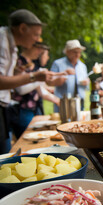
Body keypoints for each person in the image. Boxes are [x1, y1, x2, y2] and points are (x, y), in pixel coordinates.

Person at [0, 9, 66, 154]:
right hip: (16, 109)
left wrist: (17, 72)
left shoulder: (11, 46)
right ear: (22, 28)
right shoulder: (2, 41)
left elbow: (9, 78)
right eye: (36, 34)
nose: (37, 40)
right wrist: (34, 77)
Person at [9, 40, 60, 139]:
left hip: (33, 109)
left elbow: (40, 90)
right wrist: (38, 79)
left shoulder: (31, 64)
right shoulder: (19, 62)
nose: (40, 52)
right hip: (22, 110)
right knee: (26, 140)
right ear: (30, 47)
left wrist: (56, 100)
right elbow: (20, 90)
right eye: (38, 49)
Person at [51, 39, 90, 111]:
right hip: (63, 102)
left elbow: (87, 86)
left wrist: (87, 82)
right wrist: (59, 79)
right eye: (75, 52)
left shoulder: (82, 66)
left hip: (79, 102)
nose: (78, 55)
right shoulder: (58, 64)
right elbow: (50, 80)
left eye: (79, 52)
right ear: (67, 52)